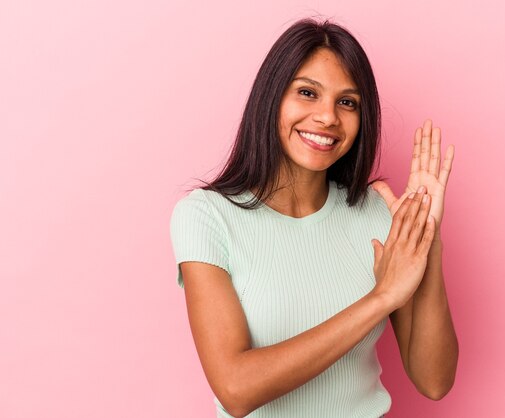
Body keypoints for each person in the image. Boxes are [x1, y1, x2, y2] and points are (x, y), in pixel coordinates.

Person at [169, 17, 458, 418]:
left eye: (347, 102)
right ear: (271, 99)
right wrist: (381, 298)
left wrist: (427, 239)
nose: (327, 118)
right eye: (308, 93)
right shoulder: (207, 217)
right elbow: (236, 388)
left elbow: (434, 380)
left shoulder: (376, 212)